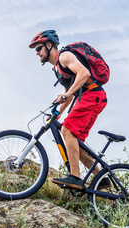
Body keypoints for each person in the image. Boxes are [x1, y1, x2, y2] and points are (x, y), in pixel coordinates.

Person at [29, 30, 108, 190]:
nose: (37, 53)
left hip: (92, 95)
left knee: (67, 130)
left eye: (39, 48)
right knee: (74, 144)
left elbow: (84, 73)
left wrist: (67, 94)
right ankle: (101, 178)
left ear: (49, 45)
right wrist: (57, 113)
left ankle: (75, 178)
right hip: (88, 98)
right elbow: (69, 95)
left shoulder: (64, 56)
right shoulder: (57, 69)